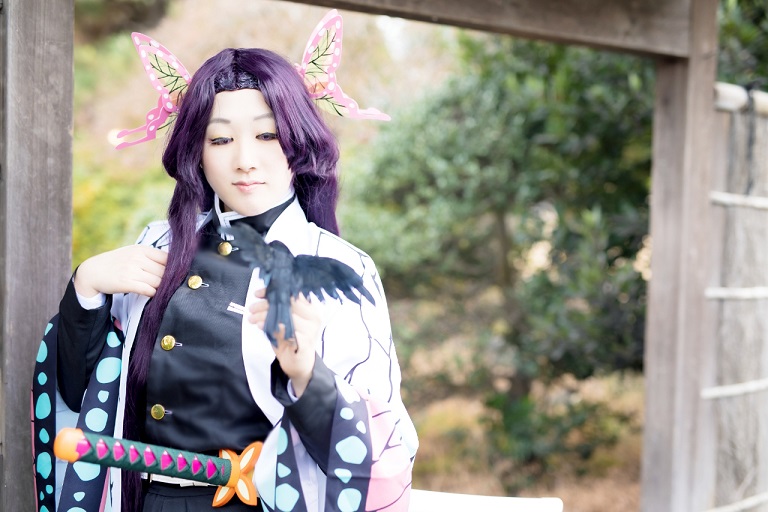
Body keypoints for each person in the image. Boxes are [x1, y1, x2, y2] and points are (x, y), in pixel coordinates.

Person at [32, 44, 418, 512]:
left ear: (298, 140)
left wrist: (306, 373)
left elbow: (381, 452)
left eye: (267, 135)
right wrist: (86, 288)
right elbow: (80, 393)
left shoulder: (340, 267)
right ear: (196, 151)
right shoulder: (157, 244)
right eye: (220, 140)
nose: (244, 161)